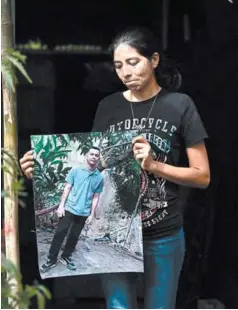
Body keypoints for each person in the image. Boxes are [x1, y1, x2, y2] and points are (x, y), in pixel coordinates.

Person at [20, 27, 210, 308]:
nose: (125, 72)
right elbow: (94, 167)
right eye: (119, 66)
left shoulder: (180, 106)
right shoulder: (108, 107)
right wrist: (45, 170)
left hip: (163, 236)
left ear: (154, 60)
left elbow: (202, 176)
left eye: (133, 62)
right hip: (114, 233)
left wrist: (154, 165)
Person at [38, 146, 104, 273]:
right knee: (59, 234)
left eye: (96, 155)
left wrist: (91, 214)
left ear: (98, 158)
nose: (94, 157)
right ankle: (51, 259)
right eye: (92, 154)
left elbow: (96, 196)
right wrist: (61, 206)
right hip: (69, 208)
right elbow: (67, 188)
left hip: (84, 212)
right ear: (87, 156)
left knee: (74, 236)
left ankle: (66, 256)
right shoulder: (76, 170)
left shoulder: (99, 178)